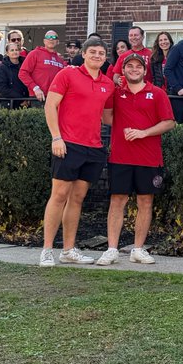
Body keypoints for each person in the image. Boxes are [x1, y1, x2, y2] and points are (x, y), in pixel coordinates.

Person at [39, 38, 113, 267]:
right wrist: (56, 137)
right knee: (59, 195)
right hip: (68, 144)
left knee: (77, 198)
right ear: (83, 53)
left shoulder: (108, 84)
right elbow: (50, 105)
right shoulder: (67, 75)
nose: (97, 56)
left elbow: (108, 117)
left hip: (94, 147)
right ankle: (47, 250)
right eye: (93, 52)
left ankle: (68, 250)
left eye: (101, 53)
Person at [96, 54, 175, 266]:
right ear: (123, 70)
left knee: (145, 201)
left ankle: (138, 249)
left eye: (137, 66)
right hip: (120, 156)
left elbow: (169, 122)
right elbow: (106, 118)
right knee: (117, 201)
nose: (133, 69)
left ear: (144, 69)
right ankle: (112, 249)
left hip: (149, 158)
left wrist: (143, 132)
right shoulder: (116, 92)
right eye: (129, 66)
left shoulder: (157, 93)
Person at [19, 30, 67, 103]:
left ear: (57, 41)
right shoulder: (35, 53)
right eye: (48, 37)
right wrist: (35, 88)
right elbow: (22, 73)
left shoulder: (60, 59)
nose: (51, 39)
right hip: (38, 97)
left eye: (54, 37)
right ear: (44, 41)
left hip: (54, 98)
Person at [0, 41, 30, 107]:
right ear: (7, 53)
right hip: (9, 104)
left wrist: (27, 98)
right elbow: (3, 88)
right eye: (12, 50)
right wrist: (21, 99)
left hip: (26, 103)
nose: (15, 52)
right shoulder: (2, 68)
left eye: (16, 50)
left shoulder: (25, 65)